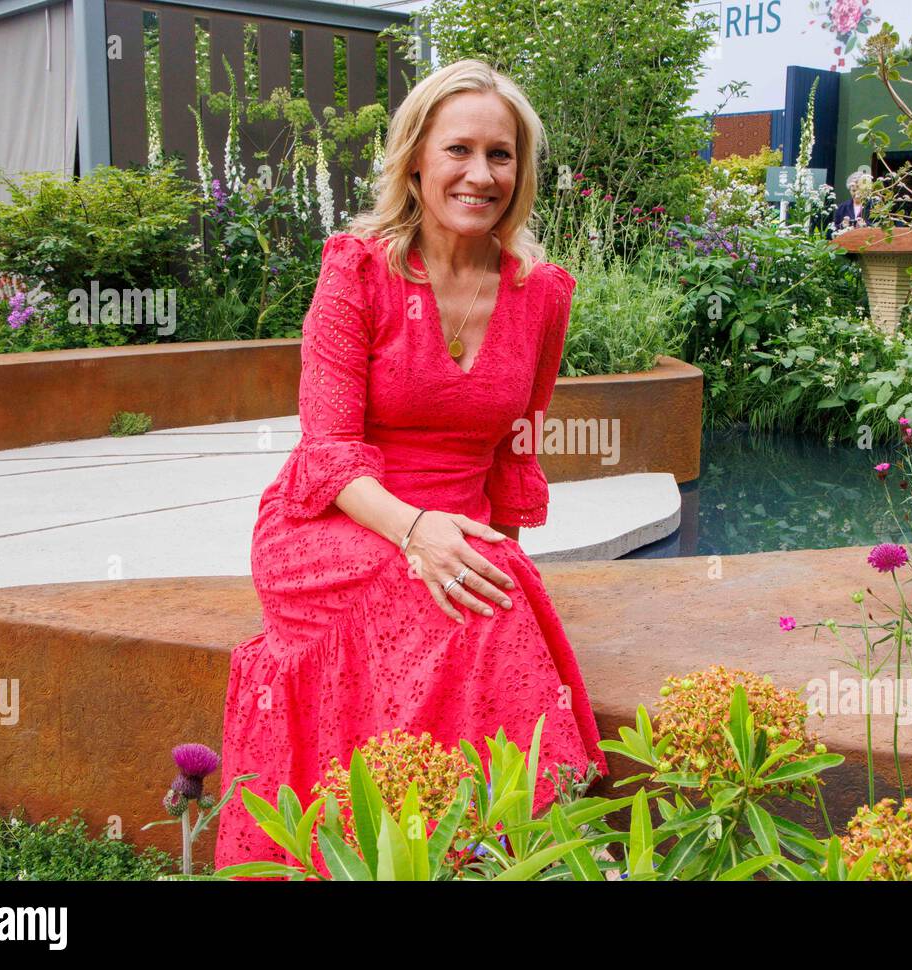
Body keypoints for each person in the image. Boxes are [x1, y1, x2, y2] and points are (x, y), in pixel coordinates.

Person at [214, 58, 608, 870]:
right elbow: (327, 449)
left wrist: (503, 569)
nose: (480, 173)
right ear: (416, 160)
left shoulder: (543, 294)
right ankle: (416, 848)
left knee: (484, 607)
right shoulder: (357, 269)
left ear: (521, 172)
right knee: (432, 595)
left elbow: (515, 447)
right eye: (458, 149)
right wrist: (420, 532)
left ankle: (483, 851)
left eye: (501, 155)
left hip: (454, 523)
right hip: (334, 520)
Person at [830, 170, 875, 236]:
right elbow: (831, 232)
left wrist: (866, 227)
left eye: (860, 190)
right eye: (853, 190)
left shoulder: (874, 206)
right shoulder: (842, 207)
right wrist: (842, 226)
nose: (857, 193)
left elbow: (880, 229)